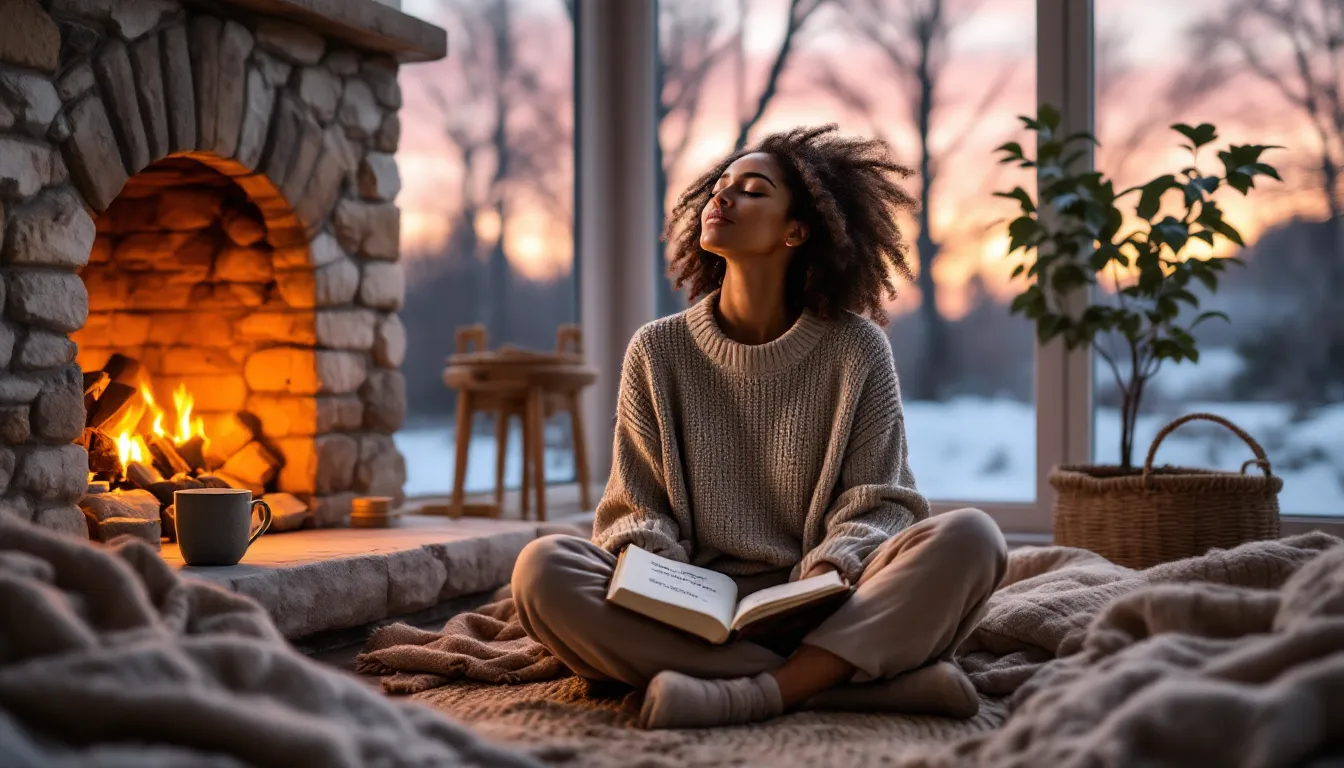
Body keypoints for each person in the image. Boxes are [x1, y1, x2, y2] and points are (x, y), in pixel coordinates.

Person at [511, 125, 1007, 730]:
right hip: (687, 611)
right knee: (542, 569)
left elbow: (879, 503)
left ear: (796, 231)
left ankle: (751, 690)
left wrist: (832, 567)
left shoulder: (858, 350)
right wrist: (658, 573)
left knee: (972, 538)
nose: (721, 199)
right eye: (719, 187)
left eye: (752, 190)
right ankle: (833, 682)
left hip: (824, 599)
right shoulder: (656, 350)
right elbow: (634, 506)